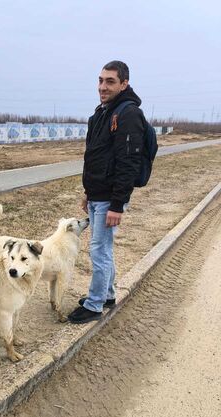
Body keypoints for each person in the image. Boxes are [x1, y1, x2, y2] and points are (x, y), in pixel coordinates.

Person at [68, 60, 145, 324]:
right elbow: (96, 157)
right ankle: (107, 295)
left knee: (99, 250)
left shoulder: (128, 114)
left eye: (110, 81)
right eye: (100, 80)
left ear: (124, 84)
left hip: (109, 200)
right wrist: (88, 192)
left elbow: (128, 162)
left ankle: (94, 304)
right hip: (97, 195)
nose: (103, 86)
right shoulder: (102, 113)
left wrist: (117, 204)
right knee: (104, 249)